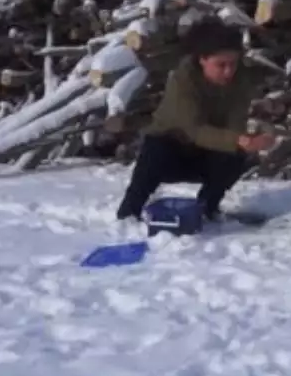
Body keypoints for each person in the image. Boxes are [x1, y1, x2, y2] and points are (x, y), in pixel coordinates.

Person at [115, 17, 275, 223]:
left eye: (233, 64)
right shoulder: (182, 80)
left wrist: (251, 141)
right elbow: (194, 129)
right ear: (202, 59)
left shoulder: (240, 82)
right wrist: (236, 139)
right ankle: (129, 213)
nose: (229, 71)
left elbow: (235, 124)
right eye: (221, 65)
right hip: (171, 151)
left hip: (206, 153)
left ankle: (207, 208)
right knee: (155, 149)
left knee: (235, 155)